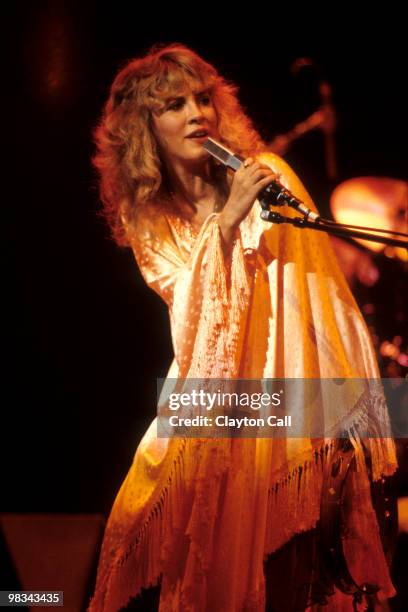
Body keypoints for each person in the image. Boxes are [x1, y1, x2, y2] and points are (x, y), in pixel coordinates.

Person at [88, 44, 397, 612]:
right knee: (147, 518)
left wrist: (344, 409)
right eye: (175, 105)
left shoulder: (268, 176)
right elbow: (189, 314)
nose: (196, 114)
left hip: (292, 403)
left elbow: (321, 297)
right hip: (213, 398)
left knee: (292, 575)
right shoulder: (148, 213)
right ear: (144, 128)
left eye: (202, 99)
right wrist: (224, 227)